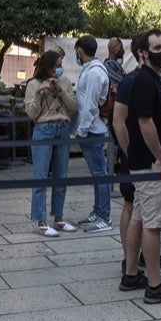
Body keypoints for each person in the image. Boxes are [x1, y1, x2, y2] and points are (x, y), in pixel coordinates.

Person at [115, 30, 161, 304]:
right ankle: (155, 285)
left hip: (139, 161)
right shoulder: (145, 81)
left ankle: (132, 273)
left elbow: (120, 121)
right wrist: (158, 157)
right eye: (158, 47)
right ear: (143, 52)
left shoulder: (144, 80)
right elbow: (145, 123)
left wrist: (129, 153)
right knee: (153, 224)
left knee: (139, 218)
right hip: (150, 163)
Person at [24, 49, 78, 237]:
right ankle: (41, 220)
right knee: (40, 175)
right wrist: (39, 93)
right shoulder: (33, 84)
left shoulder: (64, 82)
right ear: (47, 67)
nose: (59, 70)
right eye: (56, 66)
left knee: (61, 174)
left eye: (60, 66)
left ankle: (59, 218)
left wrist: (61, 91)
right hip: (44, 129)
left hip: (62, 128)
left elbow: (73, 108)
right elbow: (32, 114)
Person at [70, 36, 114, 233]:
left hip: (92, 131)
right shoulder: (91, 70)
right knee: (98, 174)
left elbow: (89, 105)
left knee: (100, 174)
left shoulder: (94, 73)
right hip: (91, 129)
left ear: (80, 49)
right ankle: (98, 211)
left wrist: (81, 130)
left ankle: (104, 216)